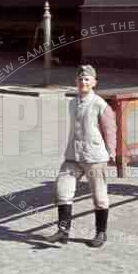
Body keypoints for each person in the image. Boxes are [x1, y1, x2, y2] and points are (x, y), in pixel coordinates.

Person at [47, 65, 117, 248]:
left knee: (99, 197)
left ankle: (101, 233)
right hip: (73, 155)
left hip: (94, 156)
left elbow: (110, 129)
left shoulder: (100, 104)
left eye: (87, 80)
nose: (83, 82)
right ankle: (63, 230)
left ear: (94, 83)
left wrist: (111, 152)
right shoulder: (73, 102)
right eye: (80, 79)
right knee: (63, 189)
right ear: (76, 82)